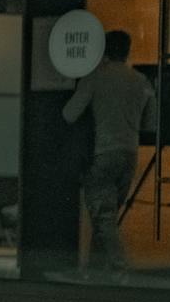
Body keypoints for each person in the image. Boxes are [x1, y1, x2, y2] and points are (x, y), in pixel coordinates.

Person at [62, 29, 155, 280]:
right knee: (106, 216)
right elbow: (151, 123)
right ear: (127, 50)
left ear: (104, 50)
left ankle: (118, 267)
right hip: (129, 153)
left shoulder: (96, 78)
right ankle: (93, 268)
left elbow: (69, 113)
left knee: (103, 216)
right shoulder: (141, 81)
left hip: (102, 153)